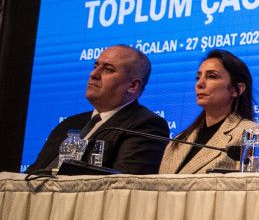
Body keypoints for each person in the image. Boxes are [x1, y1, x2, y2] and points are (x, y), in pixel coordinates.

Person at [27, 44, 168, 174]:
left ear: (133, 86)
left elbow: (123, 184)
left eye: (108, 69)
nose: (93, 74)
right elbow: (34, 171)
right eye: (96, 66)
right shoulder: (70, 123)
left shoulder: (146, 125)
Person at [158, 49, 259, 174]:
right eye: (198, 77)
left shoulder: (249, 135)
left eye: (212, 76)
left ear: (237, 90)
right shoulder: (178, 140)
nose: (199, 84)